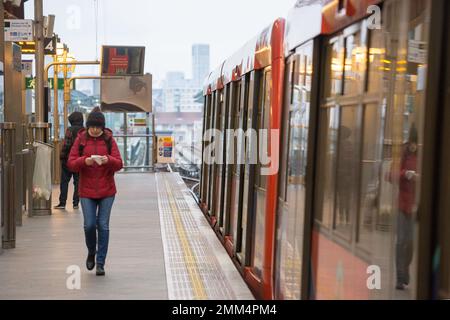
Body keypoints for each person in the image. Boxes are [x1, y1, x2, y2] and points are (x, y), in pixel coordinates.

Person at [67, 110, 123, 276]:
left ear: (102, 127)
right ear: (88, 126)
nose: (95, 130)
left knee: (103, 226)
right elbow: (71, 163)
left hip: (107, 191)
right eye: (92, 127)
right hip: (86, 191)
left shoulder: (109, 139)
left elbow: (119, 163)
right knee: (89, 225)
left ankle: (100, 263)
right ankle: (92, 251)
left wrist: (108, 160)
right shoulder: (81, 139)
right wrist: (85, 160)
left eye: (98, 127)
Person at [395, 125, 418, 290]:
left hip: (415, 205)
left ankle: (406, 269)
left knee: (410, 243)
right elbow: (392, 174)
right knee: (402, 241)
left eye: (416, 143)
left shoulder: (421, 154)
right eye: (412, 142)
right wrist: (405, 174)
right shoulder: (403, 154)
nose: (414, 146)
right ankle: (400, 276)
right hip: (403, 203)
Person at [54, 111, 84, 210]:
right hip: (79, 161)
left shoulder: (70, 130)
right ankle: (76, 203)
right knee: (77, 182)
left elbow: (67, 145)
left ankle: (62, 203)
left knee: (64, 181)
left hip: (68, 160)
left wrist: (62, 156)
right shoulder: (84, 131)